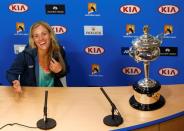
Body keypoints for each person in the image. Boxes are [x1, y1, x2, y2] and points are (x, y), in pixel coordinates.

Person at [6, 21, 68, 93]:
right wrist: (15, 82)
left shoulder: (58, 50)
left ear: (50, 35)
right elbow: (11, 73)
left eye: (44, 34)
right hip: (32, 95)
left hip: (54, 93)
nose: (41, 38)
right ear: (33, 39)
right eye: (36, 36)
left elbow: (65, 72)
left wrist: (59, 71)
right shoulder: (25, 55)